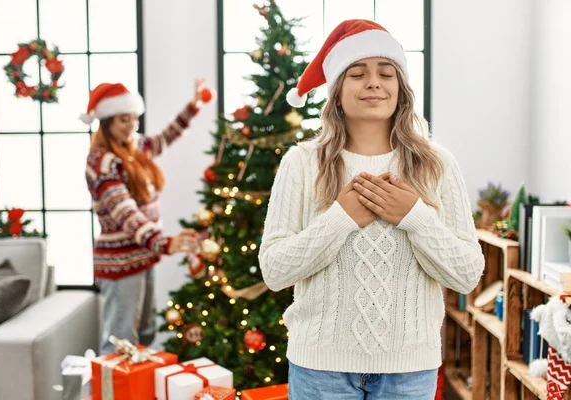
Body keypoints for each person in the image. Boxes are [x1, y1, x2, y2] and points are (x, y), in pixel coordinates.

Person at [259, 19, 485, 399]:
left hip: (409, 373)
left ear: (400, 89)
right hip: (320, 371)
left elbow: (466, 275)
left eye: (386, 73)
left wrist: (413, 216)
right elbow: (274, 271)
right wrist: (340, 219)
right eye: (357, 73)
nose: (374, 83)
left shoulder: (437, 164)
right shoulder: (301, 163)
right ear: (337, 91)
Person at [83, 80, 208, 355]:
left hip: (143, 255)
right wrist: (162, 242)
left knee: (146, 332)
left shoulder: (134, 146)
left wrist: (193, 106)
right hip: (120, 264)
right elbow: (125, 212)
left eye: (134, 119)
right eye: (123, 120)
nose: (131, 126)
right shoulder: (102, 162)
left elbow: (165, 138)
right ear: (105, 122)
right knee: (119, 341)